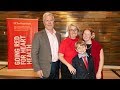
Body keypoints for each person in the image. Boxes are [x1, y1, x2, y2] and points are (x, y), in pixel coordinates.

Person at [31, 12, 61, 79]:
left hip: (57, 66)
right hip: (44, 69)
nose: (49, 22)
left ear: (54, 22)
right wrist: (37, 69)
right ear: (44, 22)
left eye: (51, 20)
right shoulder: (38, 35)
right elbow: (34, 53)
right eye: (47, 20)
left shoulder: (58, 35)